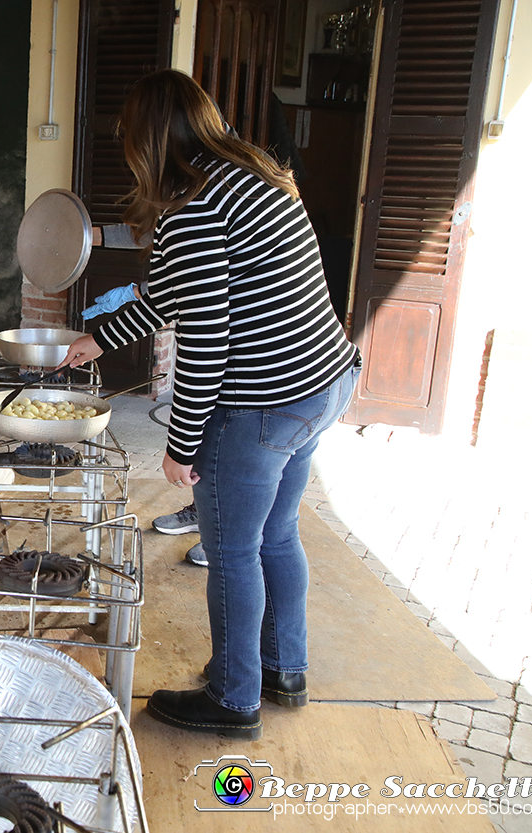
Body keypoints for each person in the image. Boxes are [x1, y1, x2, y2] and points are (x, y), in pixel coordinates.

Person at [62, 70, 361, 740]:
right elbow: (173, 295)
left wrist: (182, 444)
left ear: (147, 141)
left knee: (231, 550)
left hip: (266, 402)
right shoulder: (248, 178)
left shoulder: (194, 204)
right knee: (275, 534)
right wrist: (98, 339)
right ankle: (283, 669)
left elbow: (205, 339)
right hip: (323, 381)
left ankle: (233, 698)